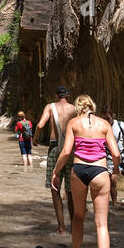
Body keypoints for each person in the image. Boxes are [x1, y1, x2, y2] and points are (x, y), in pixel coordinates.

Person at [52, 95, 121, 248]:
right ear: (93, 106)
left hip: (79, 171)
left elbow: (66, 152)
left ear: (77, 108)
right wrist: (114, 170)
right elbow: (115, 154)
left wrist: (56, 173)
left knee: (78, 217)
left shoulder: (73, 123)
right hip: (100, 172)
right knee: (101, 224)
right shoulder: (104, 124)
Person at [37, 86, 77, 233]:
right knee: (71, 190)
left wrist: (35, 138)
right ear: (68, 95)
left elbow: (41, 125)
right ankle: (74, 226)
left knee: (55, 188)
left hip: (55, 148)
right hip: (71, 150)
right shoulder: (74, 109)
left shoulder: (50, 107)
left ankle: (61, 227)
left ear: (56, 95)